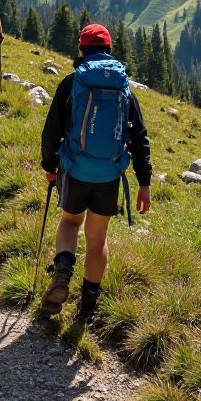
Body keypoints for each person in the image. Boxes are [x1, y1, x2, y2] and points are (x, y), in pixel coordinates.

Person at [40, 23, 152, 317]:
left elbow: (51, 130)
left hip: (76, 169)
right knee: (97, 237)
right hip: (109, 175)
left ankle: (63, 271)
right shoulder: (123, 87)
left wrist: (50, 165)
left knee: (69, 223)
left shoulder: (73, 82)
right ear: (109, 49)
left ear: (81, 49)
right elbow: (139, 137)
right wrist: (144, 183)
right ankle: (88, 306)